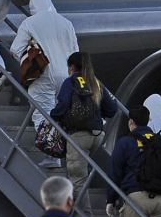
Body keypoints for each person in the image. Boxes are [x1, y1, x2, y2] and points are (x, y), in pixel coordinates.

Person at [11, 0, 80, 165]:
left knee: (42, 114)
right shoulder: (66, 23)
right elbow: (76, 53)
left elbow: (15, 49)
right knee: (59, 112)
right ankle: (62, 155)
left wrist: (31, 57)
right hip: (66, 75)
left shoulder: (30, 22)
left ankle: (52, 156)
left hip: (43, 75)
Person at [50, 52, 120, 182]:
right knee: (80, 171)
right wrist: (96, 114)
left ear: (71, 67)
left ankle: (82, 203)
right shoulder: (96, 83)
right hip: (97, 135)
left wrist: (53, 116)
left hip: (78, 135)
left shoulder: (70, 82)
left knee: (77, 179)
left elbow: (63, 103)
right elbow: (112, 109)